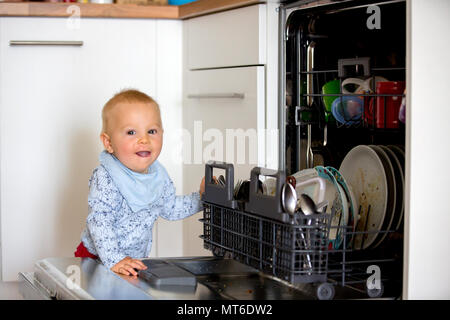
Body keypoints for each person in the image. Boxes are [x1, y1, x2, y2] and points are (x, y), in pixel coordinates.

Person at [74, 89, 205, 277]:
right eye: (131, 132)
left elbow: (170, 208)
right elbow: (99, 220)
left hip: (133, 261)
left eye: (152, 131)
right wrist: (115, 259)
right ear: (108, 143)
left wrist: (201, 198)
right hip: (96, 259)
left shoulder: (158, 176)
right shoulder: (106, 177)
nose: (144, 139)